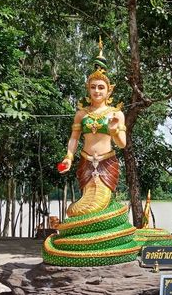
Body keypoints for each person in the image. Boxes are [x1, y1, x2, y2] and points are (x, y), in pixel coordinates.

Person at [58, 39, 126, 217]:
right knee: (85, 204)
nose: (97, 91)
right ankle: (84, 237)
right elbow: (74, 138)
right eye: (93, 87)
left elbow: (122, 144)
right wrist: (69, 157)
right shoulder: (82, 114)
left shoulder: (116, 114)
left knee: (99, 203)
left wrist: (114, 131)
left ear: (109, 91)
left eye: (101, 87)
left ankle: (104, 236)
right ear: (88, 89)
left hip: (107, 162)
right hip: (86, 161)